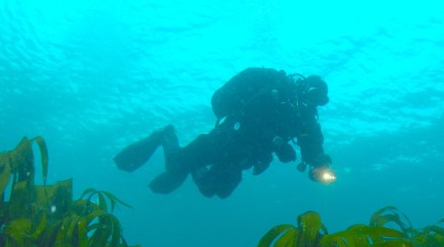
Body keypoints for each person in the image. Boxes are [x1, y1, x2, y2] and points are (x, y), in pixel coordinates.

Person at [114, 68, 334, 198]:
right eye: (312, 95)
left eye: (318, 101)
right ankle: (165, 135)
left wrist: (319, 164)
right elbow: (251, 115)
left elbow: (313, 146)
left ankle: (192, 165)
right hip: (225, 140)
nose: (312, 102)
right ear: (303, 87)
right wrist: (277, 143)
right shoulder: (276, 93)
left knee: (213, 191)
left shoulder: (305, 119)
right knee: (174, 165)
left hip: (246, 157)